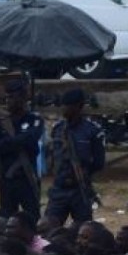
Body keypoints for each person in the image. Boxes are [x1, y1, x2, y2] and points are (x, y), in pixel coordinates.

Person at [44, 88, 104, 226]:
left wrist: (83, 172)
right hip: (59, 188)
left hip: (80, 189)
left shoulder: (92, 131)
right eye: (63, 105)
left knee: (83, 230)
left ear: (79, 106)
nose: (64, 109)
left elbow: (99, 162)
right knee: (48, 228)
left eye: (67, 105)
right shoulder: (58, 129)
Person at [0, 78, 42, 218]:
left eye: (11, 97)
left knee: (33, 218)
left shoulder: (34, 120)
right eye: (6, 97)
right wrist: (16, 141)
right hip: (8, 179)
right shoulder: (1, 123)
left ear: (22, 97)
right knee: (7, 219)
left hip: (28, 178)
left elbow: (32, 138)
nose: (8, 101)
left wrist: (6, 142)